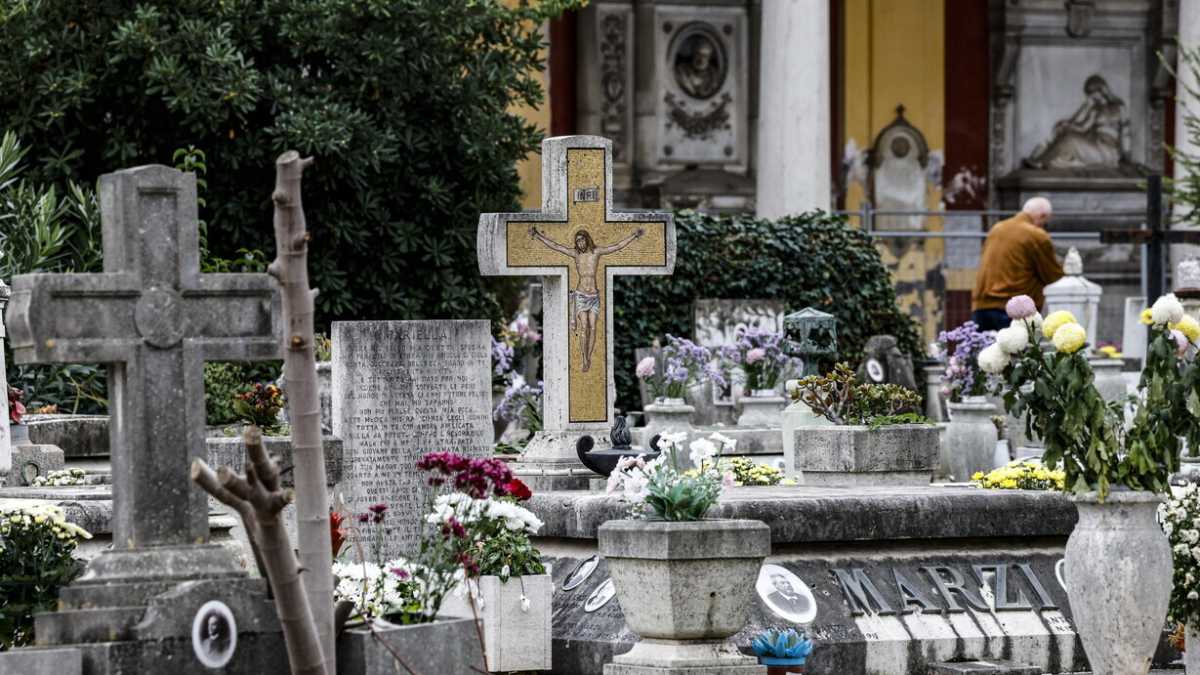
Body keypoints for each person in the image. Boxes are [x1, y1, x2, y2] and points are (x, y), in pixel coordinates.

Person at [529, 226, 644, 372]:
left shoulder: (596, 252)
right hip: (581, 295)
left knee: (593, 327)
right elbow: (556, 246)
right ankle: (585, 358)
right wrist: (538, 235)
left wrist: (633, 236)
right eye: (577, 242)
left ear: (587, 240)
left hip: (594, 296)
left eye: (582, 240)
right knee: (584, 328)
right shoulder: (576, 254)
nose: (580, 244)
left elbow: (617, 246)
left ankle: (588, 355)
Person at [971, 197, 1064, 331]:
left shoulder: (997, 228)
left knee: (984, 351)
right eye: (1045, 222)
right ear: (1042, 216)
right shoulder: (1037, 235)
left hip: (981, 307)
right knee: (1016, 351)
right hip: (1012, 310)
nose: (1043, 226)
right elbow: (1053, 275)